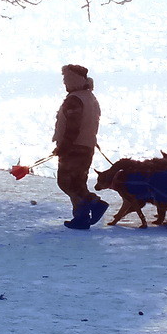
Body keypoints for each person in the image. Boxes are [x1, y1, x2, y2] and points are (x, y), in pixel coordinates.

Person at [51, 64, 109, 230]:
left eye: (66, 79)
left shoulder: (74, 99)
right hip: (87, 146)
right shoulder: (90, 97)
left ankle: (94, 204)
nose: (64, 83)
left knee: (66, 182)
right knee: (78, 183)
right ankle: (81, 218)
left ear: (72, 80)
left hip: (74, 148)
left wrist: (64, 146)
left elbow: (72, 127)